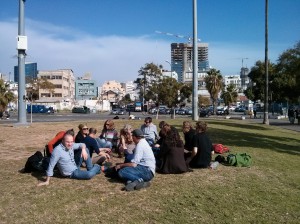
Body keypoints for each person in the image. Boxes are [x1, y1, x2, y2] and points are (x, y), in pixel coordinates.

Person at [37, 133, 101, 186]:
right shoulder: (57, 151)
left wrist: (83, 150)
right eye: (67, 142)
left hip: (75, 166)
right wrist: (47, 181)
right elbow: (51, 165)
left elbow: (82, 144)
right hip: (71, 173)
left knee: (85, 149)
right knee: (89, 175)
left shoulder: (71, 145)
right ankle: (97, 167)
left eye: (71, 142)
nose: (70, 144)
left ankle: (90, 168)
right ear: (62, 141)